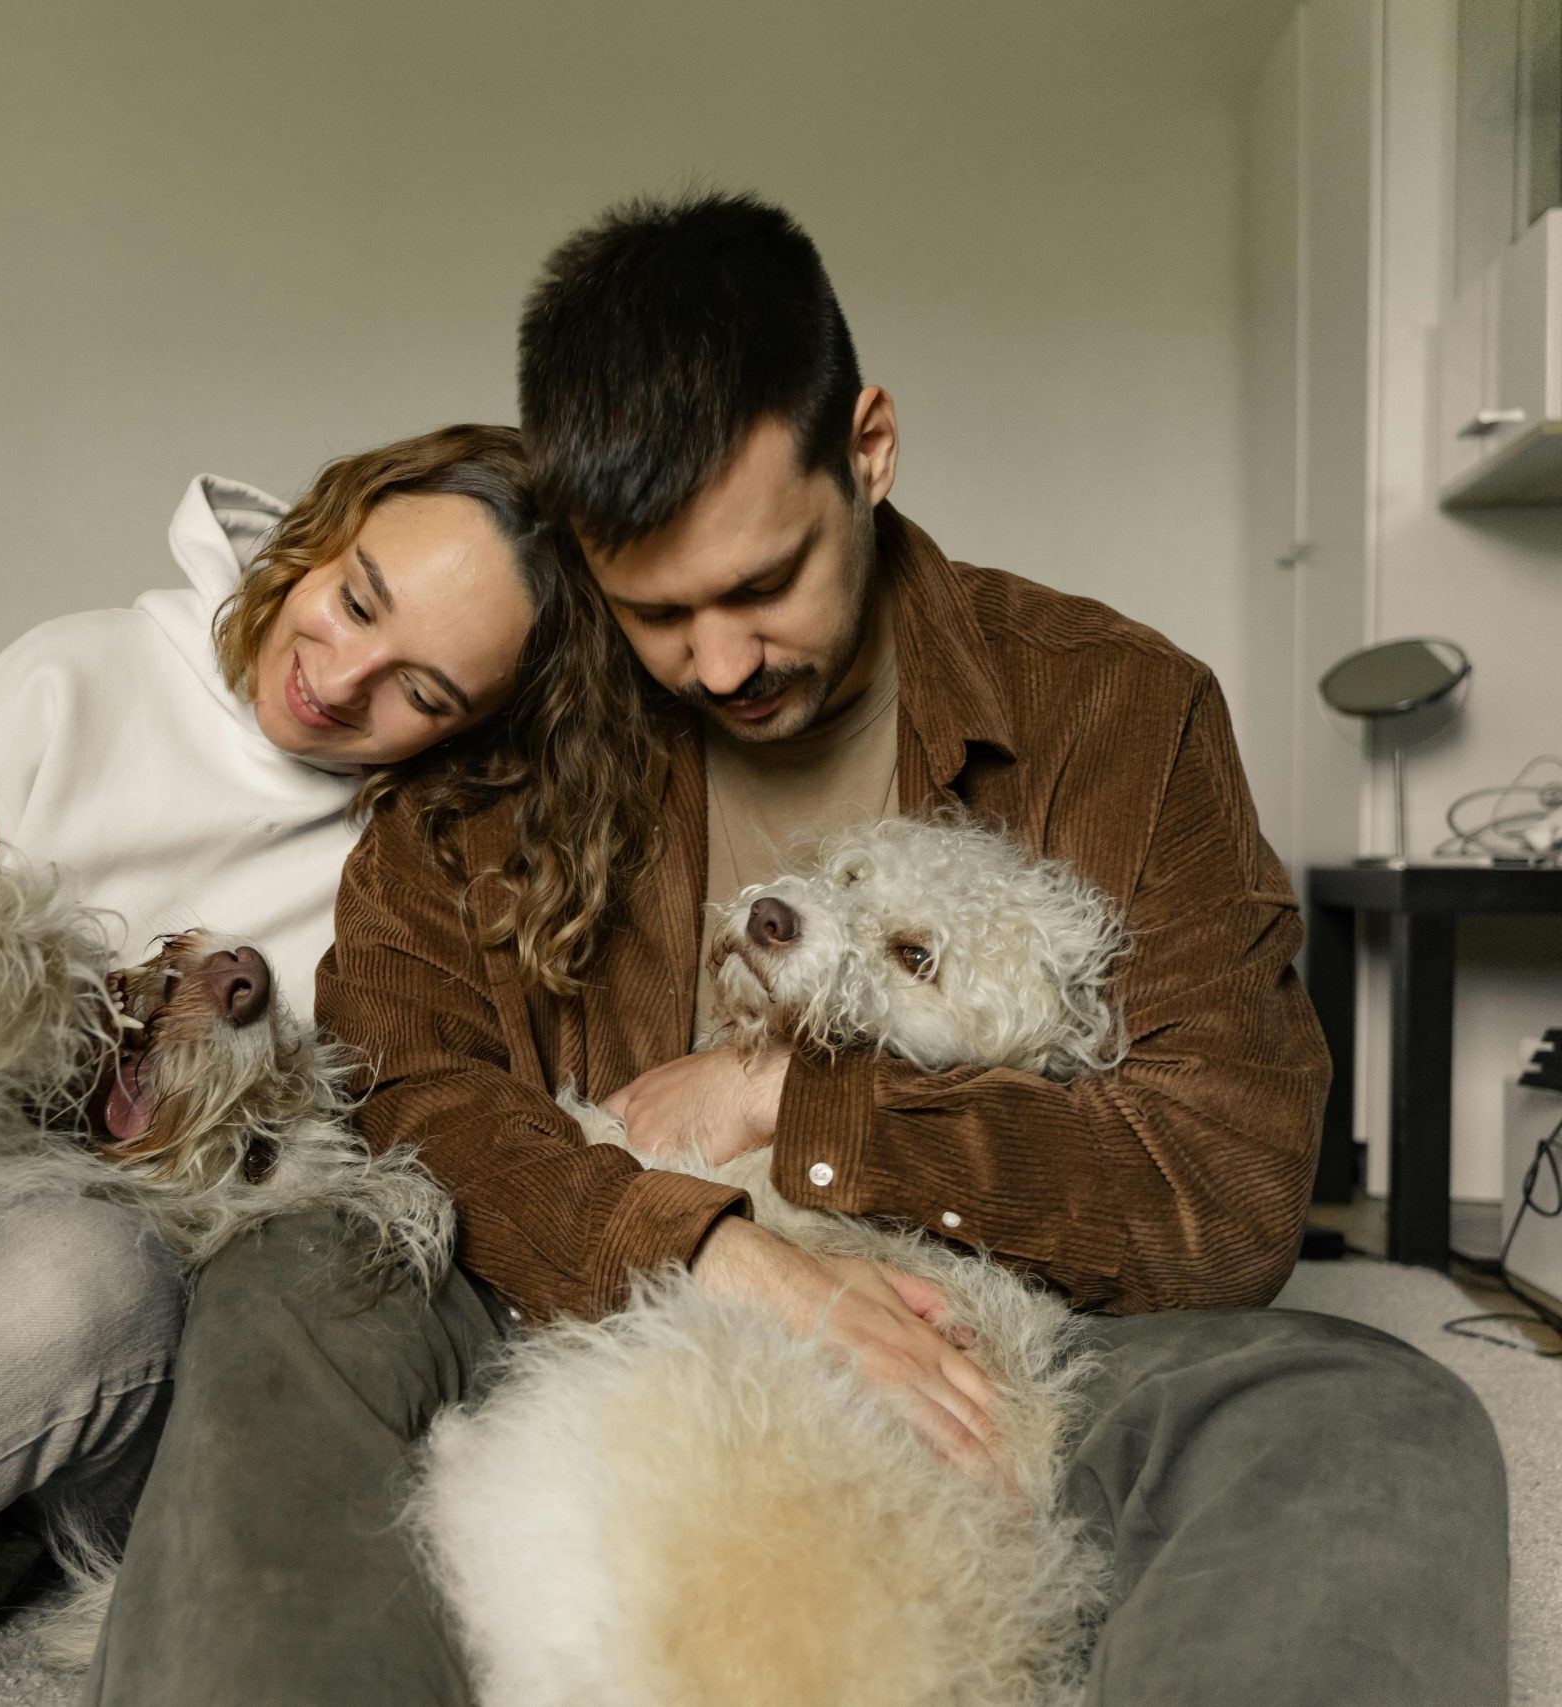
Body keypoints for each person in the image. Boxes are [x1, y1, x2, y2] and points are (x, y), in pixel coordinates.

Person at [90, 195, 1510, 1705]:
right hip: (570, 1308)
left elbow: (1223, 1187)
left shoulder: (1118, 711)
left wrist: (801, 1108)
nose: (718, 663)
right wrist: (716, 1247)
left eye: (764, 584)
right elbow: (412, 1090)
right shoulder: (502, 727)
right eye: (653, 610)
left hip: (992, 1347)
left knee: (1364, 1406)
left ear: (872, 452)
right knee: (297, 1282)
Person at [0, 425, 651, 1580]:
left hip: (59, 1282)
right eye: (357, 603)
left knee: (94, 1288)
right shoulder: (66, 681)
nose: (339, 679)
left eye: (420, 689)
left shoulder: (415, 876)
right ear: (320, 541)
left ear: (478, 729)